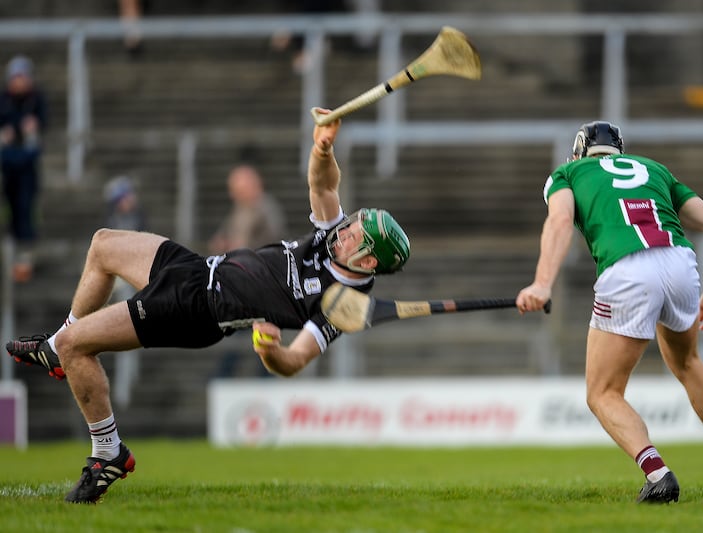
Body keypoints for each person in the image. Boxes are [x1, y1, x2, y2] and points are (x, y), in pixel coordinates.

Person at [5, 108, 411, 504]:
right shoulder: (329, 240)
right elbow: (323, 188)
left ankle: (107, 451)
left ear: (369, 261)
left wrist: (271, 352)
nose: (344, 233)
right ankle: (56, 347)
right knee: (103, 244)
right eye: (352, 224)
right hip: (196, 269)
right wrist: (323, 149)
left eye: (355, 236)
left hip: (196, 309)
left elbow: (295, 361)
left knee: (80, 346)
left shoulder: (340, 304)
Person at [516, 121, 703, 504]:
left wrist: (542, 283)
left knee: (603, 392)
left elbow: (560, 220)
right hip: (680, 262)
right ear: (620, 151)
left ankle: (658, 474)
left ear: (580, 151)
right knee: (689, 362)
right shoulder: (654, 170)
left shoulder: (567, 173)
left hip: (626, 269)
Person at [207, 164, 289, 378]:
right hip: (242, 286)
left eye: (238, 188)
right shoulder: (240, 210)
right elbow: (224, 237)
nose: (233, 194)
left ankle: (240, 380)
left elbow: (273, 245)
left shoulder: (266, 209)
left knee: (256, 337)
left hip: (262, 287)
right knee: (240, 335)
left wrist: (239, 249)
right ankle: (223, 379)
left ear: (254, 185)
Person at [0, 54, 48, 282]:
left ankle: (24, 260)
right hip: (7, 165)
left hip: (27, 166)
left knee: (27, 209)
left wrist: (31, 132)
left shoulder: (36, 100)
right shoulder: (4, 101)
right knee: (9, 211)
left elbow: (40, 130)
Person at [207, 164, 288, 254]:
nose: (232, 195)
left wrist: (245, 246)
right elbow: (223, 234)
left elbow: (274, 239)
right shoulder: (239, 208)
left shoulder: (267, 208)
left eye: (239, 191)